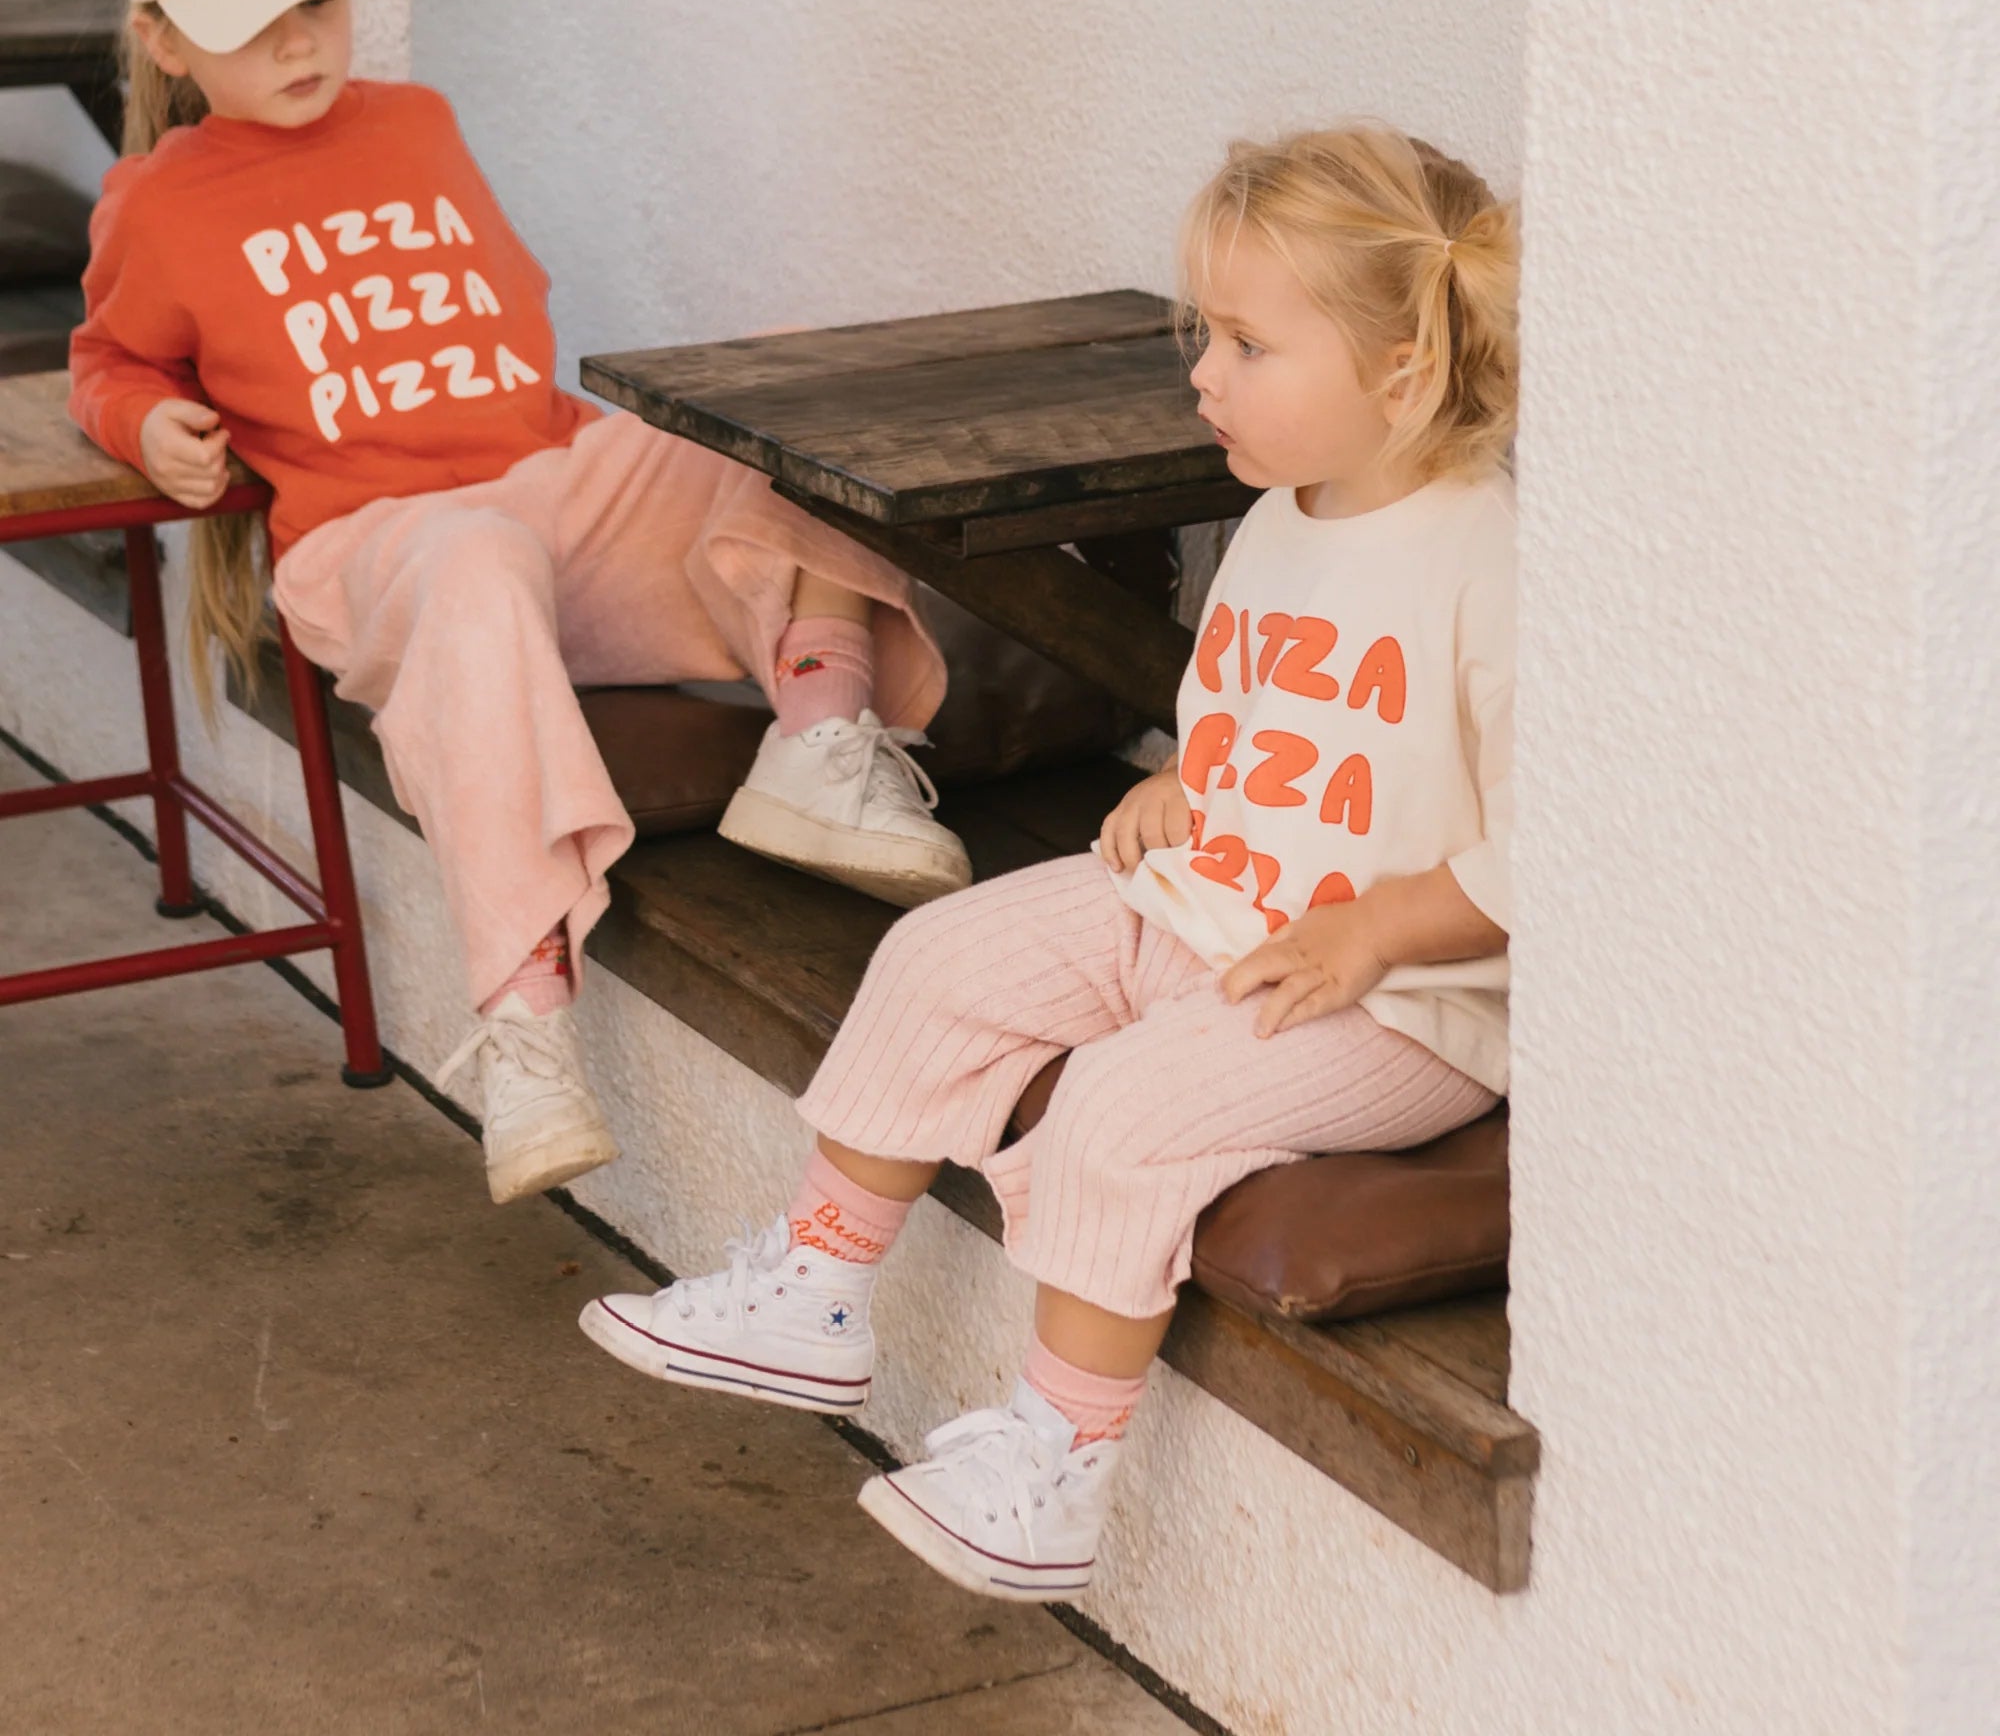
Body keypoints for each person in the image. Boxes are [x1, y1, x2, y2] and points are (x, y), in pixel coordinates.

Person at [581, 122, 1518, 1601]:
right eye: (1203, 335)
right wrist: (1180, 792)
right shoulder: (1282, 518)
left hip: (1401, 1001)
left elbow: (1565, 842)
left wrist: (1388, 928)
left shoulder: (1492, 561)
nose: (1203, 376)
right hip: (1211, 896)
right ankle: (818, 1288)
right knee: (942, 953)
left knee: (1127, 1104)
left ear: (1402, 370)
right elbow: (1245, 723)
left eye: (1247, 346)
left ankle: (1050, 1470)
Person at [68, 0, 970, 1206]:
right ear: (167, 43)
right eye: (252, 21)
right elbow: (106, 360)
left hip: (553, 489)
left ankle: (820, 736)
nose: (300, 41)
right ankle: (527, 1023)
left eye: (315, 1)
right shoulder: (159, 203)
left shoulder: (416, 121)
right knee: (479, 553)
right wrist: (151, 424)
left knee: (788, 389)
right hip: (375, 547)